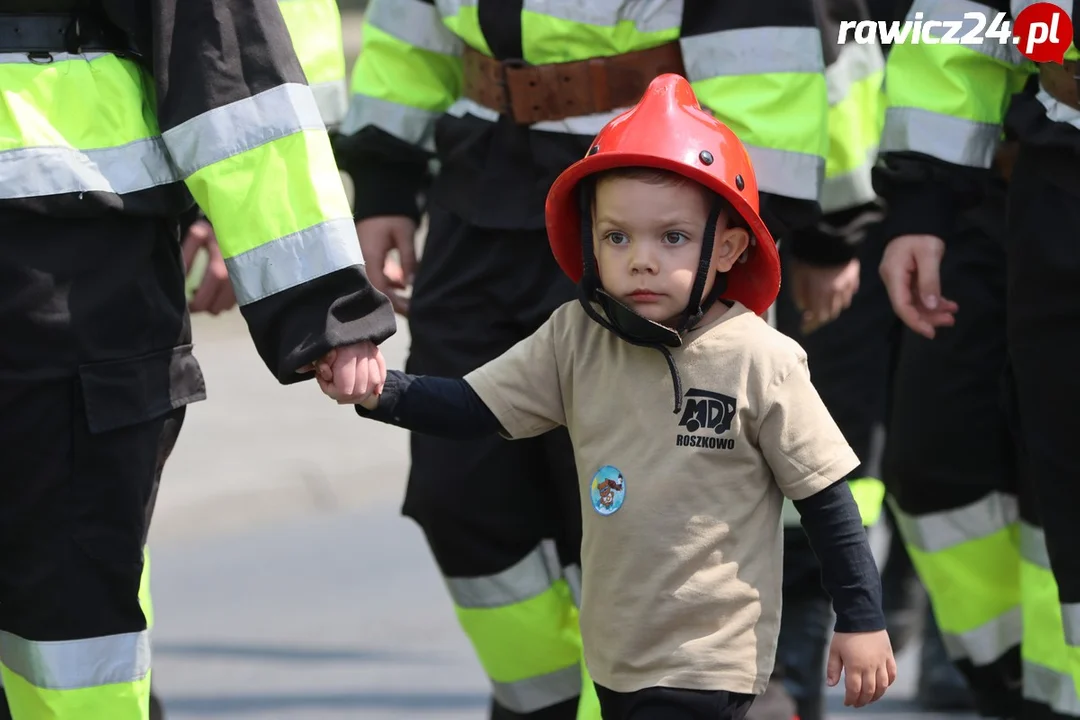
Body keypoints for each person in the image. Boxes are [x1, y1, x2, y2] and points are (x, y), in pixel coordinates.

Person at [327, 73, 897, 720]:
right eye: (617, 237)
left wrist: (862, 618)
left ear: (730, 246)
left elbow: (826, 500)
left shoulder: (759, 358)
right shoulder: (574, 337)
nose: (642, 260)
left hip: (709, 662)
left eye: (673, 238)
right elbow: (473, 408)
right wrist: (378, 391)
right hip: (616, 661)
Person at [0, 1, 396, 718]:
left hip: (69, 278)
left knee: (67, 627)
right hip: (72, 280)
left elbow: (226, 68)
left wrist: (322, 303)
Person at [874, 1, 1080, 717]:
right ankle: (1019, 687)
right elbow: (961, 23)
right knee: (946, 464)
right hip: (1048, 173)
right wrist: (921, 199)